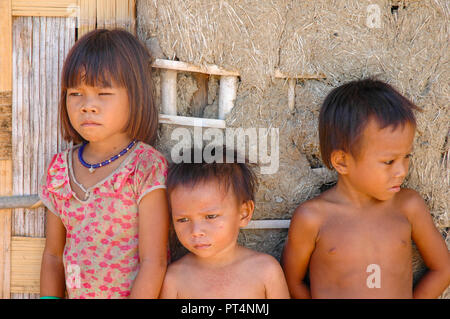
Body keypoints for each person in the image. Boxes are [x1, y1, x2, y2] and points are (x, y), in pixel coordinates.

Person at [283, 79, 450, 299]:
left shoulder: (408, 207)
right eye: (389, 161)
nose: (401, 171)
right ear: (342, 162)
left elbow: (443, 269)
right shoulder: (313, 218)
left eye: (406, 157)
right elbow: (290, 281)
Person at [39, 29, 169, 299]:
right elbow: (53, 255)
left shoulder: (143, 167)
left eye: (103, 93)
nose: (87, 106)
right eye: (76, 93)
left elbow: (153, 262)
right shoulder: (60, 170)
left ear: (135, 96)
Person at [159, 147, 290, 298]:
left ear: (243, 213)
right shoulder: (175, 278)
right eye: (183, 219)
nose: (196, 231)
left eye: (210, 216)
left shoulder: (266, 270)